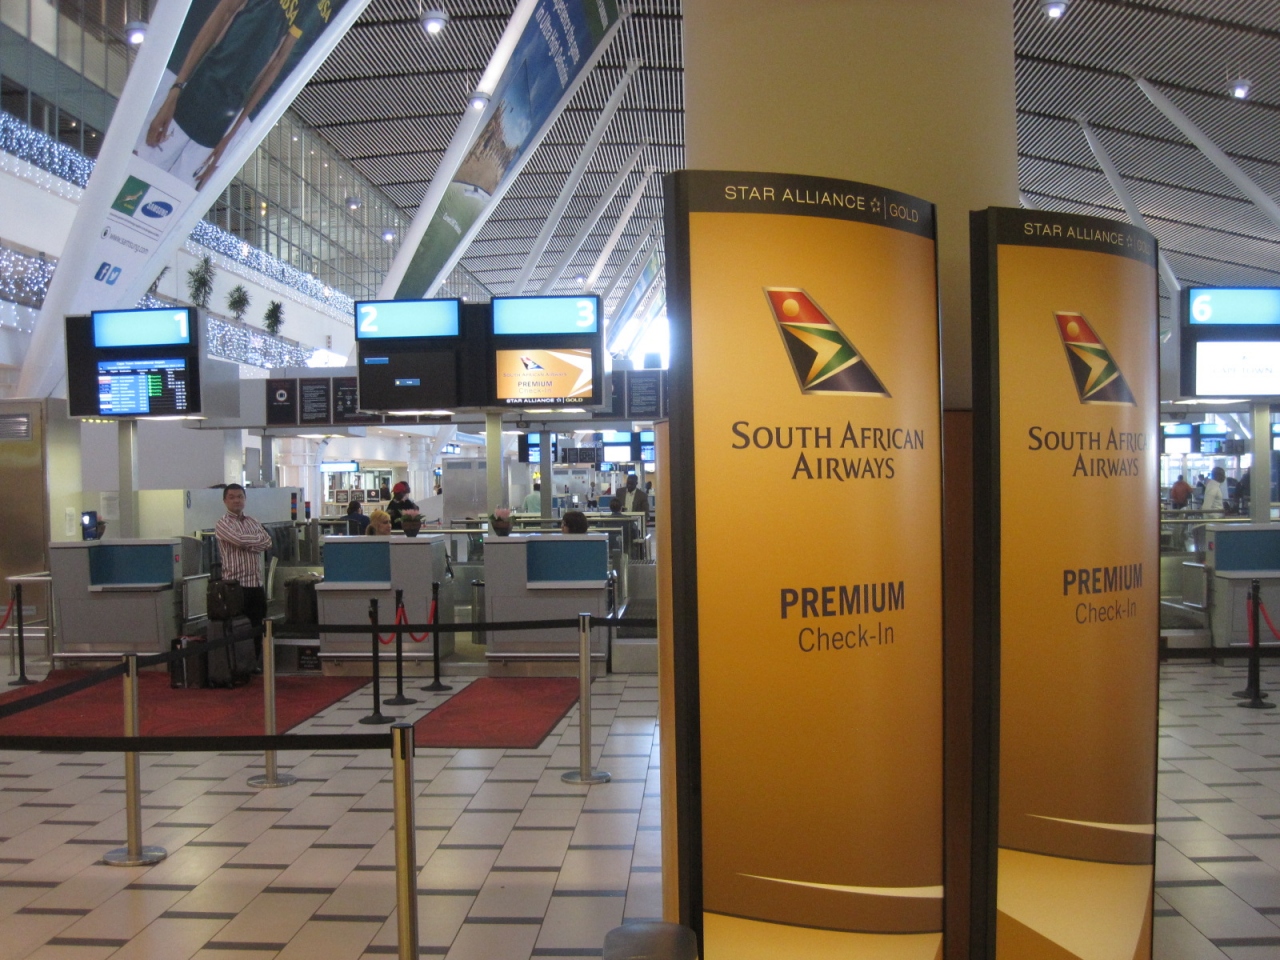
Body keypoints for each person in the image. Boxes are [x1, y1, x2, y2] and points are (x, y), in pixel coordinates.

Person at [214, 483, 271, 661]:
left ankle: (255, 664)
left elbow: (267, 542)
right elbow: (238, 540)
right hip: (234, 587)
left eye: (240, 496)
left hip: (256, 584)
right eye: (232, 497)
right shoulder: (222, 524)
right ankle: (238, 666)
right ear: (225, 501)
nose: (236, 500)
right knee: (237, 629)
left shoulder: (253, 521)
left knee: (257, 626)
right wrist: (254, 541)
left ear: (245, 499)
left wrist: (247, 543)